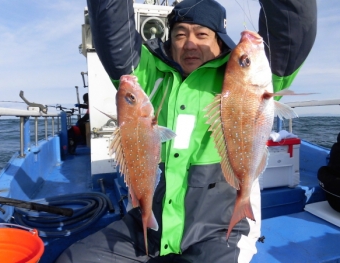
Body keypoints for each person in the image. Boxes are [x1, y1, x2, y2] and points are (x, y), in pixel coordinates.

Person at [56, 0, 317, 262]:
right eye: (180, 34)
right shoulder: (145, 74)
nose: (190, 43)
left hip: (219, 230)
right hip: (149, 223)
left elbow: (291, 24)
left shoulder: (249, 72)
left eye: (202, 34)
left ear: (220, 42)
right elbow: (111, 26)